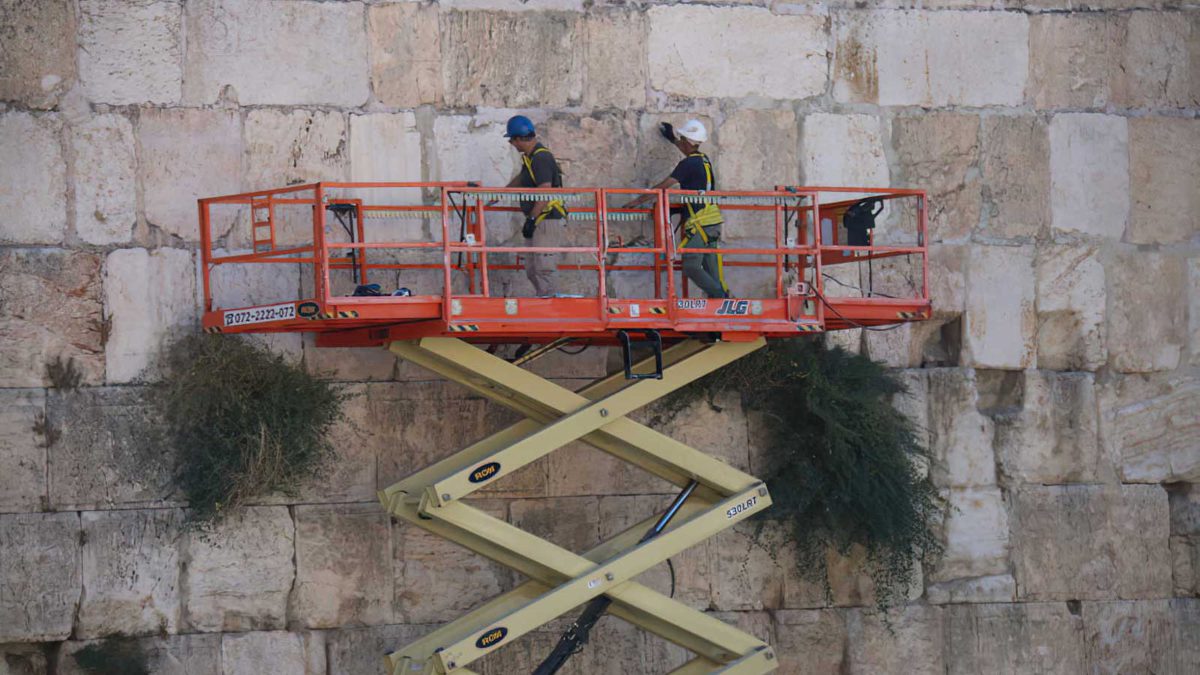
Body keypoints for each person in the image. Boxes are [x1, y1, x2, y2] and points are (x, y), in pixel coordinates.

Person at [627, 119, 729, 299]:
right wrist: (672, 139)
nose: (680, 143)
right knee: (712, 271)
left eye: (682, 140)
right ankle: (721, 308)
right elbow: (697, 189)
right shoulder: (703, 160)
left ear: (687, 143)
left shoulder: (688, 164)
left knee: (690, 265)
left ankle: (722, 298)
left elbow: (662, 187)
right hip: (711, 221)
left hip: (701, 223)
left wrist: (636, 202)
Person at [503, 115, 567, 297]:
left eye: (512, 140)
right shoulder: (530, 158)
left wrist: (532, 218)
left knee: (544, 266)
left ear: (518, 138)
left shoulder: (541, 158)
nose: (511, 144)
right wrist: (499, 193)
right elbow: (522, 178)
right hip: (538, 218)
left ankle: (552, 303)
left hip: (546, 219)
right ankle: (544, 297)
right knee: (532, 267)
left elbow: (545, 191)